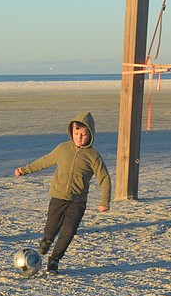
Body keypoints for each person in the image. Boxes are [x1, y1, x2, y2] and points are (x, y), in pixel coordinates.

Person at [15, 112, 111, 274]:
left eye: (83, 134)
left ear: (91, 135)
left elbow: (104, 178)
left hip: (78, 201)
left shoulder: (93, 156)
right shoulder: (63, 149)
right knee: (51, 228)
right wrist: (25, 170)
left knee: (68, 232)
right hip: (58, 197)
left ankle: (54, 260)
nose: (79, 137)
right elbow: (44, 161)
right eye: (76, 133)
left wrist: (104, 201)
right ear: (71, 132)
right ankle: (47, 240)